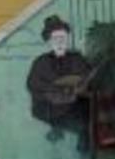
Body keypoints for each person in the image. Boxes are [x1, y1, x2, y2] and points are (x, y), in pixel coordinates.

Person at [26, 15, 91, 149]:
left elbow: (86, 78)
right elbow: (33, 84)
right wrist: (54, 91)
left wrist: (78, 89)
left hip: (74, 104)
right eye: (55, 38)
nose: (60, 42)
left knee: (87, 109)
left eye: (63, 38)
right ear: (49, 41)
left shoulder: (77, 59)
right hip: (49, 106)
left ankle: (82, 138)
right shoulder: (41, 62)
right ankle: (58, 127)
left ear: (67, 39)